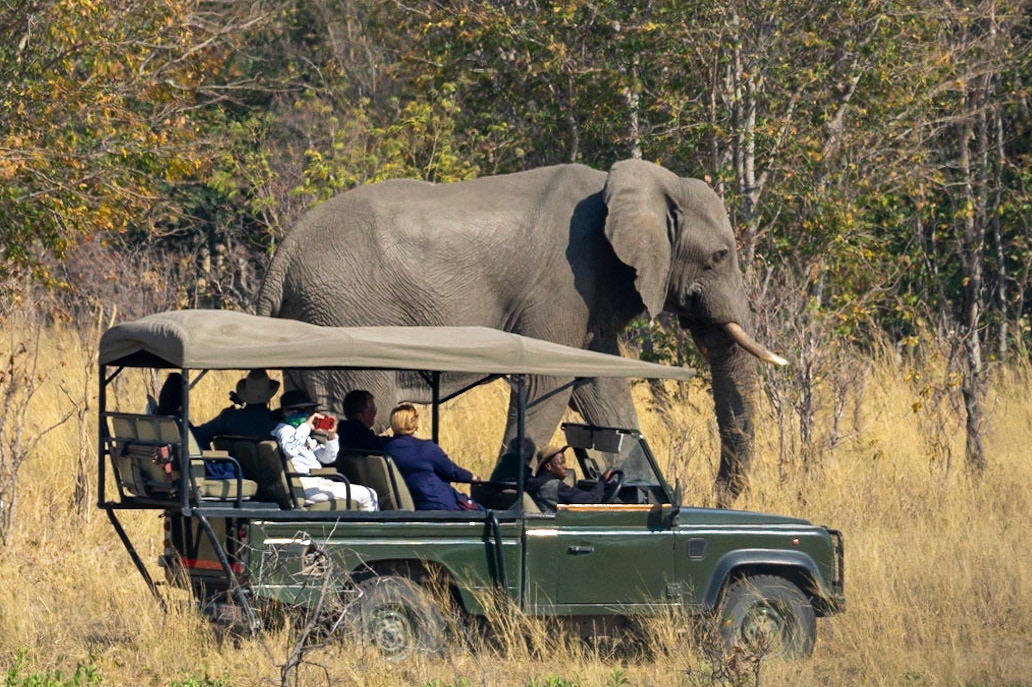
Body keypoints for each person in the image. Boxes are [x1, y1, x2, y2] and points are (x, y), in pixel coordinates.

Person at [272, 389, 378, 512]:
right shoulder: (284, 430)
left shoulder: (305, 436)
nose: (304, 414)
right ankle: (370, 531)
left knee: (367, 493)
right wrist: (306, 426)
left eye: (307, 411)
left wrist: (331, 436)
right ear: (285, 413)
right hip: (304, 484)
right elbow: (289, 450)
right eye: (298, 410)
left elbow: (327, 457)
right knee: (369, 495)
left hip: (315, 482)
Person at [385, 403, 481, 511]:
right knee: (484, 511)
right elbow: (452, 472)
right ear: (414, 424)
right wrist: (472, 477)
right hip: (439, 506)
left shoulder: (387, 449)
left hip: (411, 507)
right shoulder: (426, 448)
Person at [193, 369, 280, 450]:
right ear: (268, 397)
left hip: (234, 466)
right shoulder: (278, 423)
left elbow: (200, 435)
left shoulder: (229, 417)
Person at [526, 443, 615, 512]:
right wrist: (602, 482)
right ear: (548, 466)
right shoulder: (555, 487)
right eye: (561, 463)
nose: (566, 467)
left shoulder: (535, 483)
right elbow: (590, 500)